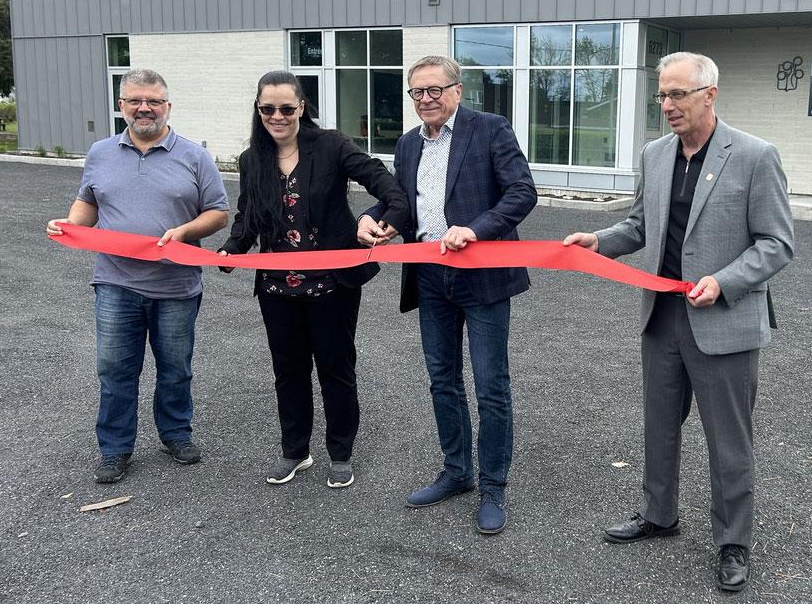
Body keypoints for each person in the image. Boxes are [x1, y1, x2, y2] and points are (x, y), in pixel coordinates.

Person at [564, 51, 794, 593]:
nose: (666, 105)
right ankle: (658, 513)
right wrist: (600, 242)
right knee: (659, 426)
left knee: (728, 440)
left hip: (725, 321)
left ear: (709, 95)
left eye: (677, 95)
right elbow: (641, 224)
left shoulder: (756, 156)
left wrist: (725, 281)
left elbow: (778, 243)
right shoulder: (656, 153)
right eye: (661, 95)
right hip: (662, 315)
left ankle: (733, 540)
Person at [357, 55, 536, 535]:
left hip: (482, 275)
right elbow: (403, 200)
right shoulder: (409, 143)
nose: (426, 100)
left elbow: (522, 193)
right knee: (442, 378)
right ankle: (457, 472)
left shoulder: (491, 129)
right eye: (417, 92)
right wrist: (373, 218)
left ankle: (493, 486)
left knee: (490, 385)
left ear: (457, 91)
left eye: (435, 90)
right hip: (430, 276)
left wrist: (475, 230)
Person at [218, 71, 407, 489]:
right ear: (258, 110)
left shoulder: (332, 146)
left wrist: (385, 217)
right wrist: (233, 249)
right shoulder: (253, 159)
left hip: (331, 284)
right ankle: (295, 451)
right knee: (288, 370)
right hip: (276, 287)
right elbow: (248, 216)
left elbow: (384, 183)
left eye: (287, 108)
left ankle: (340, 453)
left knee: (335, 368)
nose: (278, 116)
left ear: (302, 107)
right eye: (268, 109)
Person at [46, 69, 230, 484]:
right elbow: (87, 203)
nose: (144, 108)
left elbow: (218, 212)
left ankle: (176, 433)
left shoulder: (194, 156)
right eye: (134, 100)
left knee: (176, 368)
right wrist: (71, 224)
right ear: (121, 105)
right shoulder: (100, 153)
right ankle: (114, 449)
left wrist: (185, 232)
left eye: (153, 101)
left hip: (177, 285)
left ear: (168, 106)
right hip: (115, 282)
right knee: (114, 369)